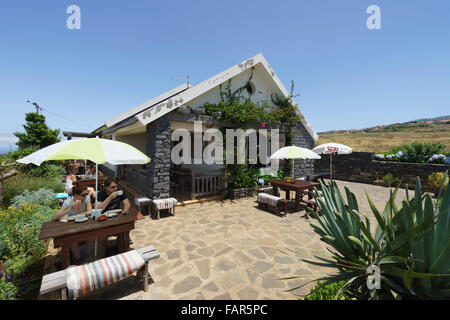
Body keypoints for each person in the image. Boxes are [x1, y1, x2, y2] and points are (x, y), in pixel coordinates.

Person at [52, 185, 92, 261]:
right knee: (71, 238)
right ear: (76, 195)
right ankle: (78, 259)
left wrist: (77, 215)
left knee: (92, 234)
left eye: (87, 194)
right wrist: (70, 209)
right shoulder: (69, 202)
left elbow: (89, 211)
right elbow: (55, 217)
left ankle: (87, 255)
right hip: (71, 225)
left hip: (84, 223)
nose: (86, 196)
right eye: (83, 195)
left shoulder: (86, 199)